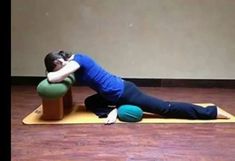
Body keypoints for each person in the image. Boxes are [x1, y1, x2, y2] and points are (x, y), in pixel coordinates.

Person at [44, 50, 230, 124]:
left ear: (60, 61)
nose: (60, 70)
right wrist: (56, 74)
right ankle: (113, 110)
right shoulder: (72, 66)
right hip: (112, 94)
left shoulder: (77, 60)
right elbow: (59, 77)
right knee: (90, 101)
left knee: (165, 108)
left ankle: (210, 112)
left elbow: (55, 78)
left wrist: (52, 74)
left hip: (124, 92)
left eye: (56, 66)